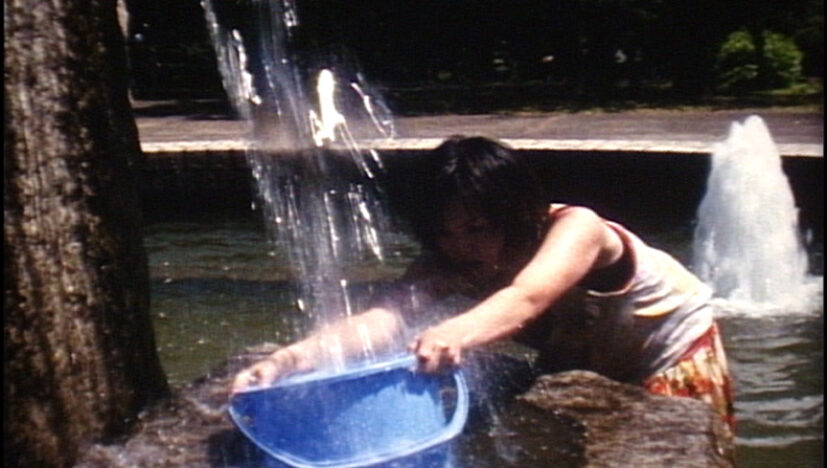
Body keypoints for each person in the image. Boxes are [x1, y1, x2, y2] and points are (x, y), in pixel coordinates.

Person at [231, 135, 735, 432]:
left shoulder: (576, 229)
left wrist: (453, 333)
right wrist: (290, 360)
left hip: (667, 357)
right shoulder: (445, 263)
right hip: (584, 357)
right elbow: (381, 318)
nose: (461, 246)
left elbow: (527, 297)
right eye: (445, 232)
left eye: (477, 228)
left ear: (515, 213)